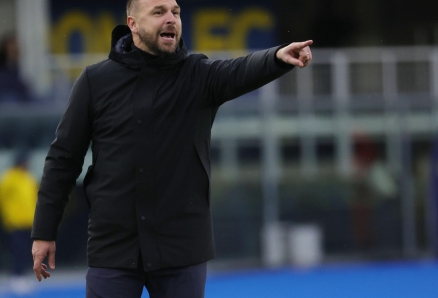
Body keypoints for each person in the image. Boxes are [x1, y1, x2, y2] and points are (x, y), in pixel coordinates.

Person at [31, 0, 313, 297]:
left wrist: (278, 57)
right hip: (113, 248)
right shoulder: (94, 81)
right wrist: (44, 231)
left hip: (182, 249)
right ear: (133, 24)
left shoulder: (198, 75)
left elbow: (239, 70)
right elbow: (63, 160)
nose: (171, 19)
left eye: (175, 12)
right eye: (159, 12)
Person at [0, 150, 38, 294]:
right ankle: (16, 277)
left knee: (27, 250)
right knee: (17, 250)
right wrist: (7, 216)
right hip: (15, 222)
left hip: (28, 222)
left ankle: (22, 275)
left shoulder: (28, 178)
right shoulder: (9, 178)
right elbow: (2, 198)